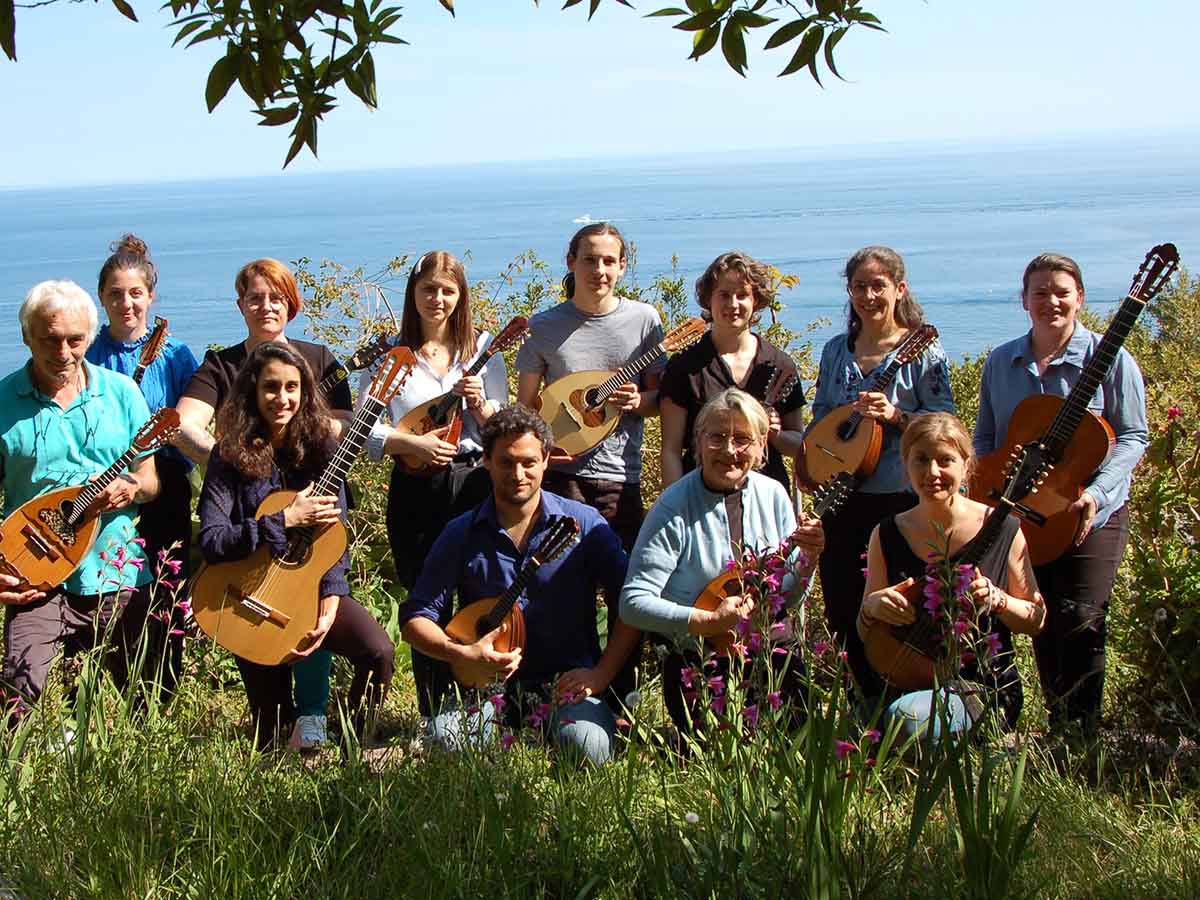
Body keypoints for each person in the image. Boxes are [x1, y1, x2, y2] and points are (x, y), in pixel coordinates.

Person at [175, 258, 349, 750]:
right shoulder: (219, 364)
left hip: (310, 531)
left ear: (290, 304)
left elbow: (343, 427)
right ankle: (276, 728)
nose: (266, 305)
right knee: (265, 695)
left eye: (276, 297)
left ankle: (331, 724)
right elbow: (184, 423)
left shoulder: (318, 357)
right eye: (255, 297)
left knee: (354, 636)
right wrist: (237, 464)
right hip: (247, 535)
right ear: (240, 305)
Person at [398, 405, 637, 765]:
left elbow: (631, 604)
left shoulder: (585, 525)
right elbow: (415, 620)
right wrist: (462, 654)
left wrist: (601, 673)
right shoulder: (461, 532)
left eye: (528, 462)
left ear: (545, 462)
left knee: (590, 750)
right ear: (487, 463)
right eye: (506, 462)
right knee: (448, 746)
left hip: (565, 686)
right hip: (483, 689)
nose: (518, 474)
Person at [974, 253, 1148, 733]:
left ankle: (1077, 731)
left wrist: (1095, 494)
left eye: (1061, 292)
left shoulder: (1110, 359)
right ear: (1024, 300)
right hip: (1018, 512)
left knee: (1078, 616)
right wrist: (989, 489)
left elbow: (1134, 437)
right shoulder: (1001, 362)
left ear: (1080, 298)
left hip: (1088, 512)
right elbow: (987, 439)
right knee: (1020, 609)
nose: (1051, 301)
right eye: (1040, 292)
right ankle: (1004, 725)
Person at [195, 342, 394, 751]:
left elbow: (332, 535)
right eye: (270, 387)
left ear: (305, 392)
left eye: (292, 387)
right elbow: (213, 541)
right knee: (271, 733)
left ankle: (349, 733)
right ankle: (293, 730)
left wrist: (333, 594)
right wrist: (281, 521)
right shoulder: (229, 455)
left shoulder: (322, 449)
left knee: (379, 653)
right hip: (247, 596)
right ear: (252, 390)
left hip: (310, 588)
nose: (282, 398)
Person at [515, 222, 663, 704]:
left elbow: (661, 398)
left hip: (622, 476)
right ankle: (554, 694)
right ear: (571, 263)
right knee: (559, 587)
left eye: (608, 261)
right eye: (589, 259)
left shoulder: (645, 321)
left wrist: (639, 401)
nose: (599, 270)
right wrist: (554, 443)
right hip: (560, 477)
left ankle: (622, 693)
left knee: (625, 589)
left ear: (622, 267)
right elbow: (528, 409)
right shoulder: (543, 326)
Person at [621, 389, 823, 738]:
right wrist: (707, 620)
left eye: (742, 439)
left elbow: (786, 598)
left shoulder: (773, 493)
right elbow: (633, 604)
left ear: (762, 446)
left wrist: (808, 560)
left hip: (769, 658)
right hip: (699, 662)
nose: (729, 450)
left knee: (789, 751)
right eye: (717, 437)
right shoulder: (673, 506)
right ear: (698, 443)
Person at [0, 281, 160, 715]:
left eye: (75, 340)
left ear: (90, 337)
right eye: (50, 339)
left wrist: (130, 488)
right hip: (34, 578)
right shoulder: (2, 402)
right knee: (19, 698)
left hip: (117, 572)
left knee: (142, 704)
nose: (64, 352)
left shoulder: (122, 393)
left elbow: (149, 481)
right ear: (27, 336)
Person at [806, 246, 956, 698]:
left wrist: (893, 416)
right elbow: (820, 421)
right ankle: (860, 702)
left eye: (878, 286)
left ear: (899, 289)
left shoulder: (922, 351)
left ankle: (910, 699)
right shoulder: (837, 351)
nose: (868, 295)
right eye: (859, 287)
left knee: (903, 603)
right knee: (844, 604)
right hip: (842, 498)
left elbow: (944, 425)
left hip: (900, 500)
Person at [363, 251, 506, 720]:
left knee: (481, 594)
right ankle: (433, 714)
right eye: (428, 289)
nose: (437, 299)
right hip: (414, 488)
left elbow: (505, 432)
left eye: (447, 290)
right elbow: (362, 431)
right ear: (413, 294)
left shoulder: (483, 351)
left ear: (460, 295)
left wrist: (481, 404)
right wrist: (413, 443)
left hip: (474, 484)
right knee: (426, 598)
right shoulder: (390, 353)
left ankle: (483, 712)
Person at [858, 413, 1044, 740]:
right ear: (905, 464)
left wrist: (999, 600)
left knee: (906, 720)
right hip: (903, 680)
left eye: (945, 460)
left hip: (981, 686)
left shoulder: (1003, 529)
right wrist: (874, 606)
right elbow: (865, 629)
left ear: (965, 465)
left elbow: (1035, 619)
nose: (932, 472)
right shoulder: (885, 534)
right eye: (921, 460)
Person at [86, 234, 199, 701]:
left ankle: (164, 690)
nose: (126, 303)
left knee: (165, 587)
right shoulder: (89, 356)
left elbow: (194, 420)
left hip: (165, 483)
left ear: (150, 296)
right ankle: (111, 684)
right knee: (113, 587)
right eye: (115, 294)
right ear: (102, 299)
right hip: (105, 486)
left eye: (135, 293)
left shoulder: (174, 355)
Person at [659, 251, 806, 492]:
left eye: (742, 295)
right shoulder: (684, 367)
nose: (733, 305)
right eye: (724, 295)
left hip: (765, 498)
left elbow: (799, 445)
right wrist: (674, 507)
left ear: (755, 301)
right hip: (698, 496)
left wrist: (774, 434)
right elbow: (671, 450)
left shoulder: (780, 364)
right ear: (709, 300)